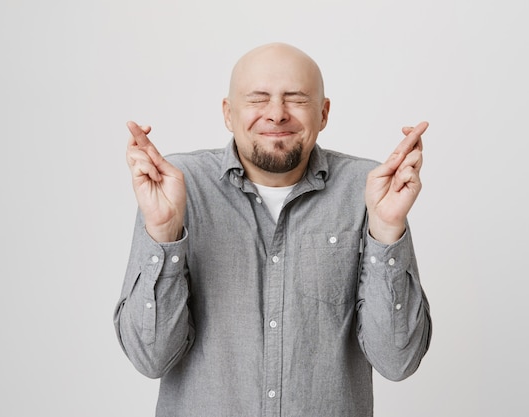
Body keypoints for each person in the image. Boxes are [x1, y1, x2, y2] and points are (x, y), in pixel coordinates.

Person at [114, 42, 432, 417]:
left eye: (296, 99)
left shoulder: (368, 190)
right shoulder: (177, 188)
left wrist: (387, 229)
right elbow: (150, 358)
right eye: (258, 99)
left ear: (324, 112)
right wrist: (164, 231)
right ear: (228, 113)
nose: (277, 115)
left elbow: (399, 360)